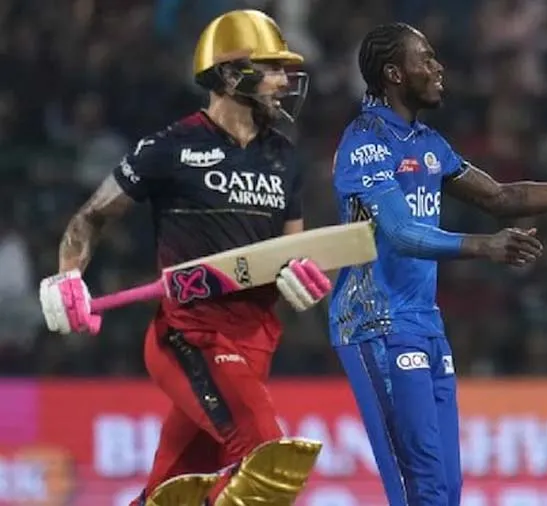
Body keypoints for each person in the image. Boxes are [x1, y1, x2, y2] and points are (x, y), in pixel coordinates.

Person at [329, 22, 547, 506]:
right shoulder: (366, 141)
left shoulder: (428, 143)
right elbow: (401, 233)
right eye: (425, 58)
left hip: (425, 323)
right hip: (377, 323)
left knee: (447, 490)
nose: (438, 67)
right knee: (421, 488)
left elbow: (501, 197)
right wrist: (485, 246)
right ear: (394, 73)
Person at [38, 10, 329, 506]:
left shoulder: (284, 156)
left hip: (254, 345)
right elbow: (92, 216)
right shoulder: (170, 147)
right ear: (230, 75)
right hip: (190, 337)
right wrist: (69, 277)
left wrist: (306, 277)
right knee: (270, 465)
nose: (284, 81)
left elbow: (294, 253)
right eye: (272, 68)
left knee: (170, 495)